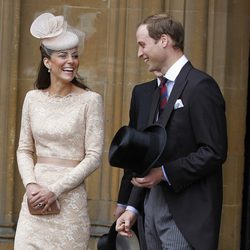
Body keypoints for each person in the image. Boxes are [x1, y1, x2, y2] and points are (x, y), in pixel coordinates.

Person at [115, 13, 227, 250]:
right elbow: (147, 157)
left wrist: (164, 173)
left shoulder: (201, 87)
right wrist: (132, 208)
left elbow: (214, 152)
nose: (139, 53)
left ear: (164, 40)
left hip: (186, 214)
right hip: (150, 208)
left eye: (143, 44)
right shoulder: (155, 91)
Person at [14, 12, 104, 249]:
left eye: (74, 56)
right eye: (63, 56)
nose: (70, 61)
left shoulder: (90, 100)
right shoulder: (32, 98)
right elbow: (24, 149)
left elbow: (94, 157)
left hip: (69, 205)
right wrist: (31, 185)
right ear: (47, 62)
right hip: (34, 205)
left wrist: (55, 190)